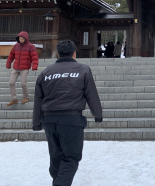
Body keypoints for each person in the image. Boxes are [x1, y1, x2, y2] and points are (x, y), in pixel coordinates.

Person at [32, 40, 103, 186]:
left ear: (58, 53)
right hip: (72, 120)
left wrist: (36, 122)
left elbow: (38, 100)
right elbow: (91, 94)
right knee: (71, 158)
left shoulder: (45, 72)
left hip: (50, 120)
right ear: (74, 53)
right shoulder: (83, 69)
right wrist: (98, 114)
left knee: (56, 158)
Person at [5, 31, 39, 106]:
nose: (21, 40)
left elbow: (34, 57)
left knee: (23, 83)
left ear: (26, 39)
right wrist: (8, 64)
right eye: (19, 38)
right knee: (11, 82)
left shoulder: (31, 46)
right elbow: (11, 55)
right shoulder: (16, 46)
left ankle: (26, 97)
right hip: (15, 67)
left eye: (22, 38)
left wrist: (34, 66)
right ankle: (14, 99)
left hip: (25, 68)